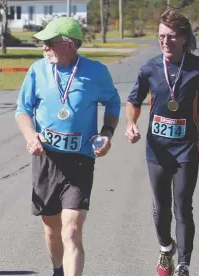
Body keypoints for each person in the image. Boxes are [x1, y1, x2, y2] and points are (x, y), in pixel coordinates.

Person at [14, 17, 120, 276]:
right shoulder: (38, 70)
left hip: (80, 160)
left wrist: (107, 133)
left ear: (69, 44)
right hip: (46, 159)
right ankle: (58, 269)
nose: (44, 47)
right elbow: (22, 110)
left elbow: (114, 102)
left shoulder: (96, 72)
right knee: (51, 227)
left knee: (71, 229)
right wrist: (31, 136)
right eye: (43, 42)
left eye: (50, 42)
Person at [125, 8, 199, 276]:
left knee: (182, 204)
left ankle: (183, 264)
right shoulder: (150, 68)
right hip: (157, 149)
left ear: (183, 38)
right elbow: (133, 101)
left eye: (170, 36)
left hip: (187, 147)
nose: (165, 42)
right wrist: (131, 123)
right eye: (161, 36)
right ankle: (165, 248)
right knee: (161, 207)